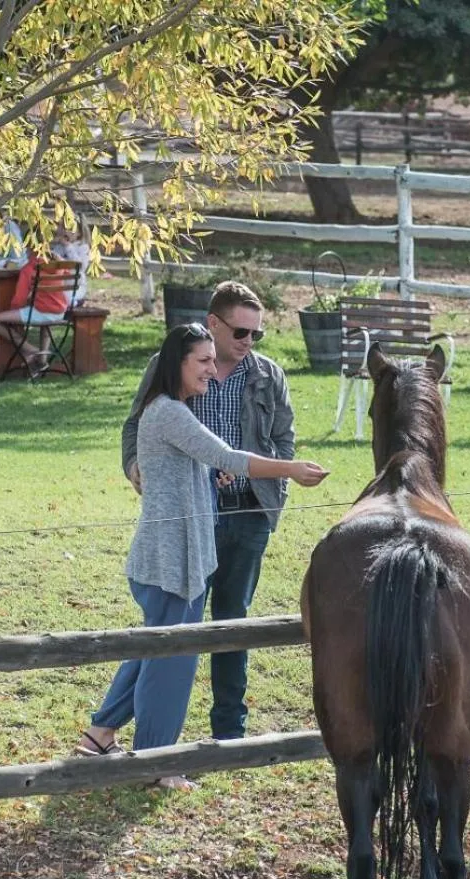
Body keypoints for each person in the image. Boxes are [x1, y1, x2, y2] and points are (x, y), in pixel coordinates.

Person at [82, 323, 329, 790]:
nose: (213, 371)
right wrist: (291, 469)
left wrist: (201, 481)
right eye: (204, 362)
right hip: (170, 563)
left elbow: (186, 468)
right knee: (171, 664)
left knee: (151, 651)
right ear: (178, 362)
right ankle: (156, 765)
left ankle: (99, 735)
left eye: (213, 362)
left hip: (176, 560)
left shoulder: (174, 411)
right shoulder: (169, 413)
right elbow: (229, 456)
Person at [121, 281, 294, 743]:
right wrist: (137, 466)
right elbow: (139, 424)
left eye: (256, 334)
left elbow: (280, 437)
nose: (248, 343)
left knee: (232, 623)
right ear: (213, 324)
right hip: (191, 519)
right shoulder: (172, 365)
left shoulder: (267, 375)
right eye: (240, 332)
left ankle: (228, 731)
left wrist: (268, 485)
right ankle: (129, 735)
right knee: (171, 631)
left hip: (246, 513)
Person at [0, 222, 90, 376]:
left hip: (42, 312)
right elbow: (78, 279)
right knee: (42, 321)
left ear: (27, 246)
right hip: (60, 312)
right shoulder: (59, 261)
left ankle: (31, 350)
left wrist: (14, 311)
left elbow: (19, 300)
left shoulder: (29, 268)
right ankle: (42, 361)